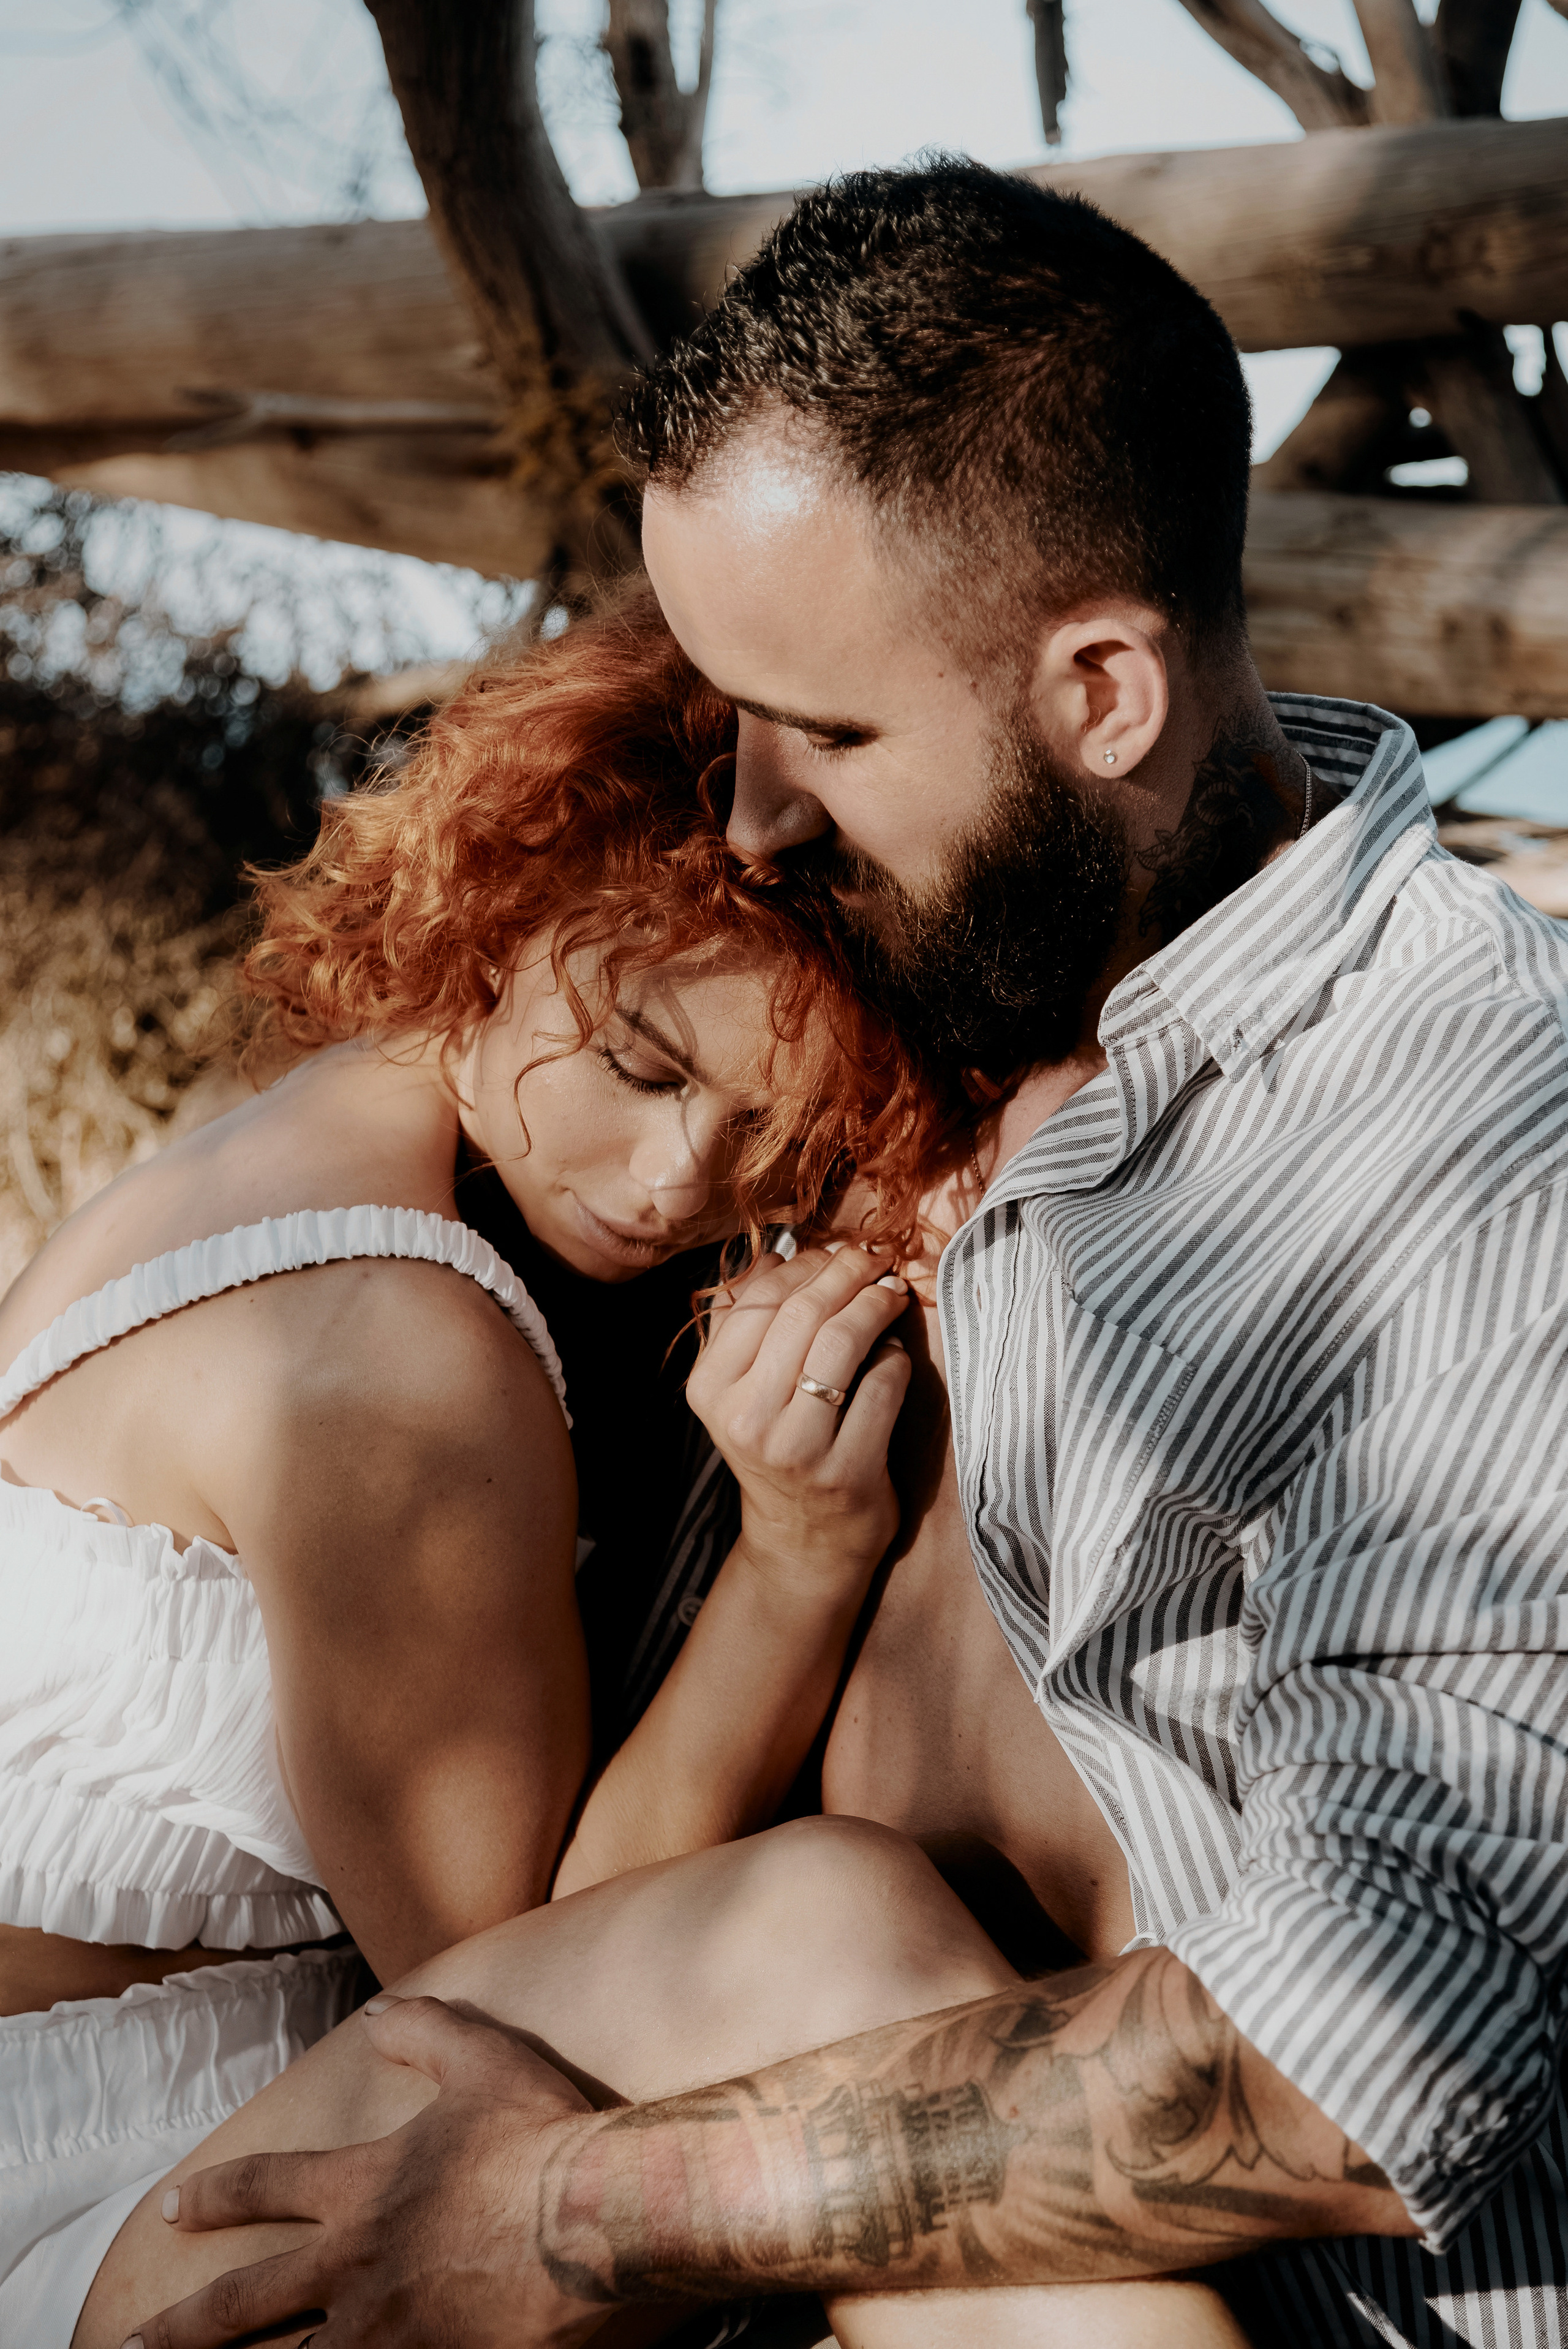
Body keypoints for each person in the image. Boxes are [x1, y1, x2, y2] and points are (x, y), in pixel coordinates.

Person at [121, 157, 1568, 2349]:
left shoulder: (1462, 1141)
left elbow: (1374, 2049)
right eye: (737, 713)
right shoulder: (907, 1007)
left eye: (834, 731)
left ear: (1100, 692)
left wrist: (578, 2211)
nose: (755, 817)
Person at [0, 589, 941, 2343]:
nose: (677, 1185)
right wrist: (799, 1554)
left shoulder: (292, 1130)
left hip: (124, 2150)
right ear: (513, 893)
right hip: (90, 2201)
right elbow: (509, 2012)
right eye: (642, 1064)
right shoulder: (400, 1346)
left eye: (779, 1142)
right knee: (822, 1934)